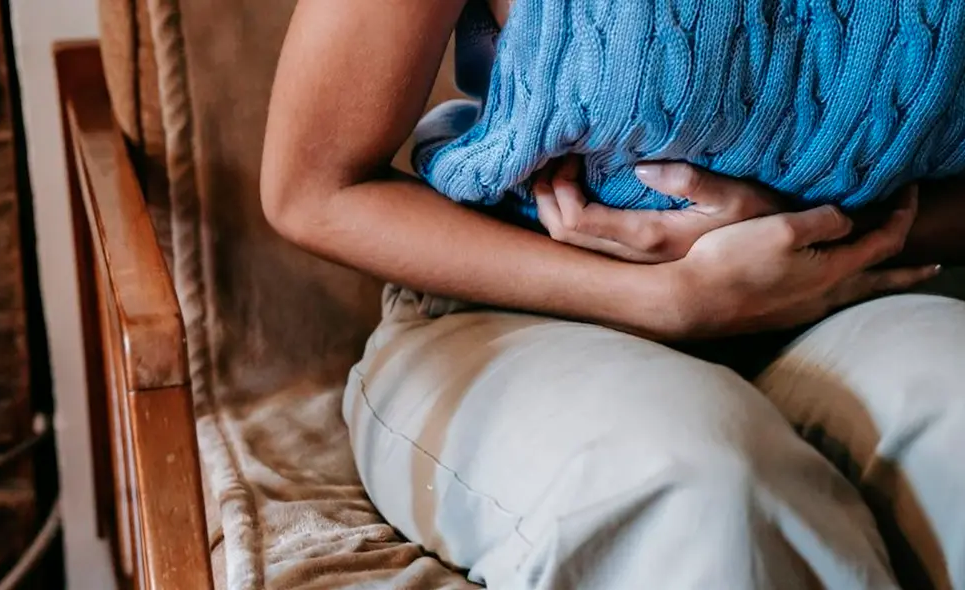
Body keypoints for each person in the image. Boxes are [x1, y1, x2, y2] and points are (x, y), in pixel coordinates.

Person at [260, 1, 965, 588]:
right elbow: (313, 189)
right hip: (517, 316)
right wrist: (666, 299)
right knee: (703, 490)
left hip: (841, 297)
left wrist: (803, 235)